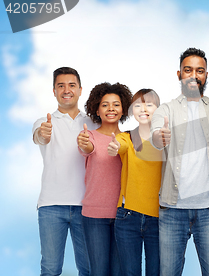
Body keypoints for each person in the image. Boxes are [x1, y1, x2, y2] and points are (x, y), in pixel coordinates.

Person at [151, 47, 209, 276]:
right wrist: (160, 136)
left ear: (206, 75)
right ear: (179, 74)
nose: (194, 75)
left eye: (200, 71)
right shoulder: (166, 109)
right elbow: (156, 134)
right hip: (172, 209)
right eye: (188, 70)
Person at [32, 67, 92, 276]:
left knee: (89, 269)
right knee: (50, 269)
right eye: (61, 86)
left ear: (80, 89)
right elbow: (40, 137)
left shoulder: (92, 123)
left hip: (87, 207)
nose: (66, 90)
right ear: (54, 91)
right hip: (51, 205)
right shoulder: (43, 122)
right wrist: (43, 133)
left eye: (71, 85)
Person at [77, 82, 133, 276]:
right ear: (97, 110)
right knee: (99, 272)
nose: (111, 109)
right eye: (105, 104)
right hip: (94, 216)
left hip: (125, 216)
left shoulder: (132, 138)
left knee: (119, 273)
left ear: (124, 108)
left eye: (116, 104)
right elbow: (87, 148)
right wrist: (85, 145)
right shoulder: (88, 136)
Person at [107, 89, 163, 276]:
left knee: (156, 272)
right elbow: (119, 146)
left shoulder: (165, 141)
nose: (143, 109)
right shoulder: (127, 137)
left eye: (149, 104)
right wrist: (115, 147)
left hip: (159, 218)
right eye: (138, 105)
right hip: (128, 216)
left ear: (158, 109)